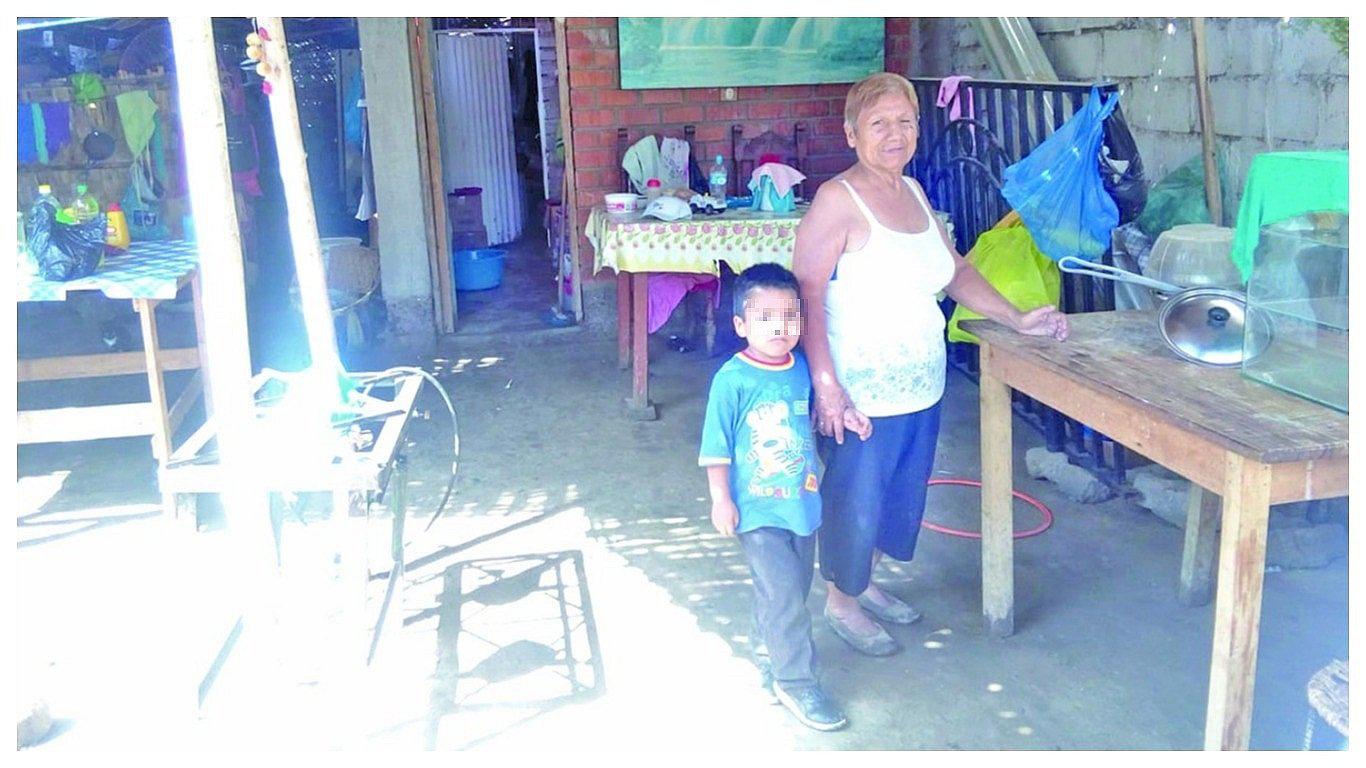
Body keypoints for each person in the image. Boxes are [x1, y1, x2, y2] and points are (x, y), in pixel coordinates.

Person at [792, 72, 1070, 656]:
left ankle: (864, 585)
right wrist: (826, 387)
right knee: (856, 497)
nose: (895, 134)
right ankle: (841, 601)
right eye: (879, 123)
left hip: (920, 386)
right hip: (862, 394)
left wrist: (1017, 318)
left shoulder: (915, 193)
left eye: (906, 121)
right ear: (851, 134)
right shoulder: (836, 200)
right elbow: (807, 295)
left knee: (897, 496)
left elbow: (958, 273)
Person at [698, 263, 871, 732]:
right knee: (784, 597)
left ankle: (767, 653)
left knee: (788, 591)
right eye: (766, 317)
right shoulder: (731, 381)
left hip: (801, 505)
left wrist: (845, 418)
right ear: (740, 325)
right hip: (757, 511)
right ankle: (796, 683)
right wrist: (721, 499)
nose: (780, 328)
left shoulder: (800, 370)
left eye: (791, 317)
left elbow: (810, 420)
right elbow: (715, 447)